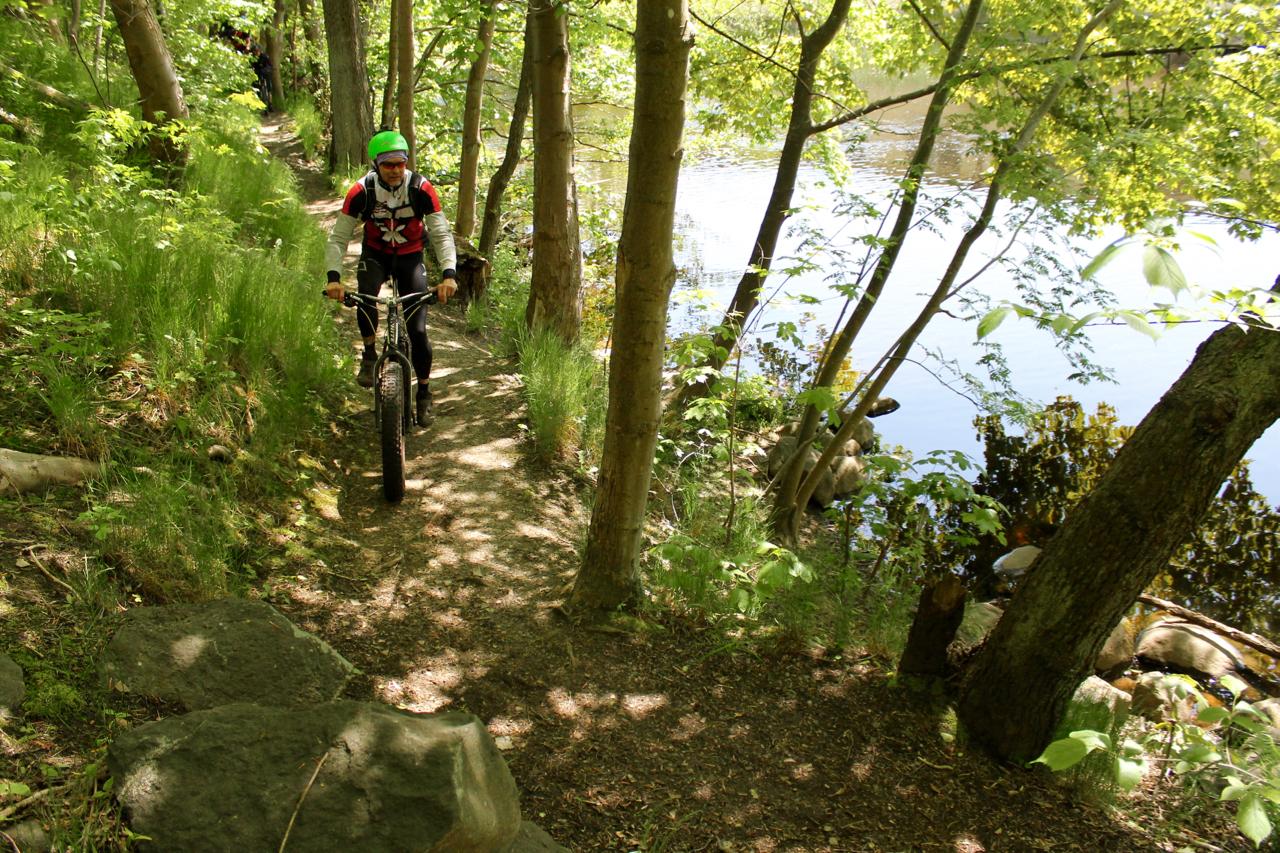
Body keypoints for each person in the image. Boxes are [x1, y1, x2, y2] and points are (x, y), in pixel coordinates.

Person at [324, 130, 458, 425]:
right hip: (376, 254)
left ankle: (424, 392)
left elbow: (441, 233)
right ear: (376, 165)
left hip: (411, 256)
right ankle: (370, 352)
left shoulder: (421, 188)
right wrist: (334, 278)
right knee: (366, 295)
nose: (396, 170)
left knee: (418, 330)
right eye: (389, 165)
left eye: (400, 164)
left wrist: (449, 274)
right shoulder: (361, 192)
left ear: (406, 162)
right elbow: (338, 238)